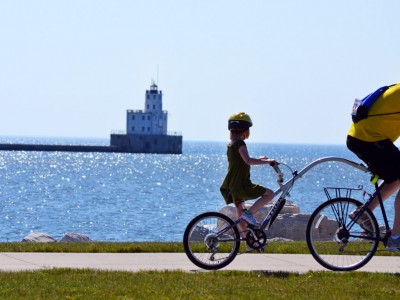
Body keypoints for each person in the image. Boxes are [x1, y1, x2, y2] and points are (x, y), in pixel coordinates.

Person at [347, 82, 400, 251]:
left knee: (395, 179)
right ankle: (396, 238)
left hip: (362, 138)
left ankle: (364, 213)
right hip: (369, 140)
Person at [220, 112, 277, 240]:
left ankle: (249, 241)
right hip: (242, 185)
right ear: (244, 130)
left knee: (240, 216)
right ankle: (249, 213)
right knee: (270, 194)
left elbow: (242, 159)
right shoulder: (240, 144)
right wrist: (268, 161)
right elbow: (247, 160)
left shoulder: (231, 145)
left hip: (232, 185)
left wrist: (261, 159)